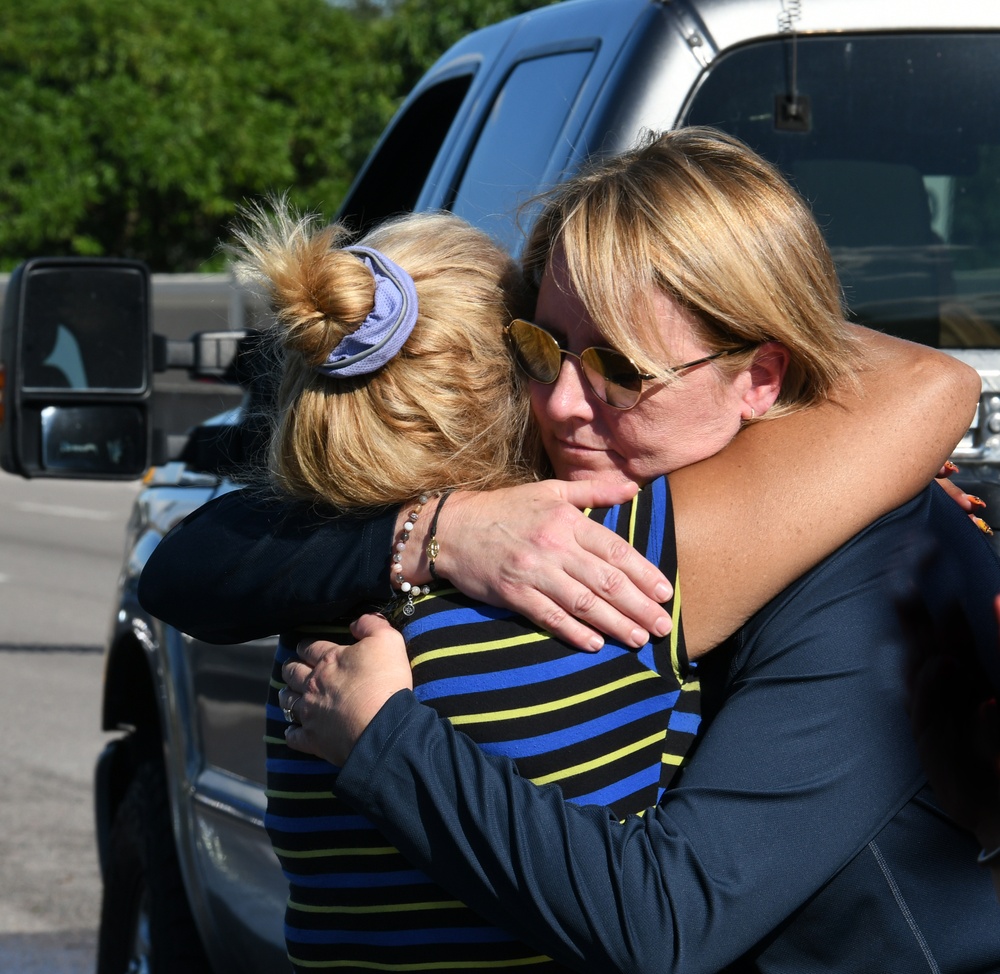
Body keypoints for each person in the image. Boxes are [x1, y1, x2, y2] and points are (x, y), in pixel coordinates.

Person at [139, 129, 997, 971]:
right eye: (542, 350)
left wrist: (388, 740)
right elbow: (195, 563)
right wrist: (432, 533)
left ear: (761, 376)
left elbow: (672, 917)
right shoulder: (526, 528)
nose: (563, 407)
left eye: (622, 369)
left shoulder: (870, 550)